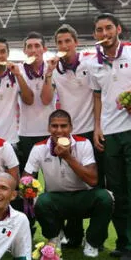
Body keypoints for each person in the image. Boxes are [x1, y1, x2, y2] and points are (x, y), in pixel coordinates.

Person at [88, 13, 131, 260]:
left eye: (108, 28)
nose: (104, 33)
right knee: (116, 192)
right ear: (95, 35)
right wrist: (96, 126)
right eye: (99, 29)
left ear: (118, 29)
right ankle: (124, 242)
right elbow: (96, 96)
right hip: (110, 132)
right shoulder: (94, 63)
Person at [25, 109, 113, 258]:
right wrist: (27, 187)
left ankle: (92, 242)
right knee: (40, 201)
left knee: (105, 198)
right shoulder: (39, 147)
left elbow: (93, 180)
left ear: (71, 128)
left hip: (83, 197)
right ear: (48, 128)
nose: (59, 130)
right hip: (55, 199)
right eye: (54, 126)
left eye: (63, 126)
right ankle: (54, 238)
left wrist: (68, 157)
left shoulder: (83, 144)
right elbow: (26, 178)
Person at [42, 24, 97, 248]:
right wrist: (47, 74)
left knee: (89, 184)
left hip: (89, 131)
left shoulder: (89, 63)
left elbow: (98, 95)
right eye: (60, 42)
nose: (64, 46)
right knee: (64, 181)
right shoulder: (54, 69)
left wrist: (99, 126)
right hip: (64, 132)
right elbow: (46, 99)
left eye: (68, 41)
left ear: (75, 42)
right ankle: (70, 234)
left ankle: (92, 238)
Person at [17, 32, 56, 174]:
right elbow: (28, 100)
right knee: (27, 178)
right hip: (26, 132)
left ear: (44, 49)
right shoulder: (18, 71)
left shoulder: (52, 67)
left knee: (51, 177)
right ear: (24, 51)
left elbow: (46, 100)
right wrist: (19, 76)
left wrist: (49, 73)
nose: (33, 50)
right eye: (29, 46)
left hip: (49, 132)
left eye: (37, 46)